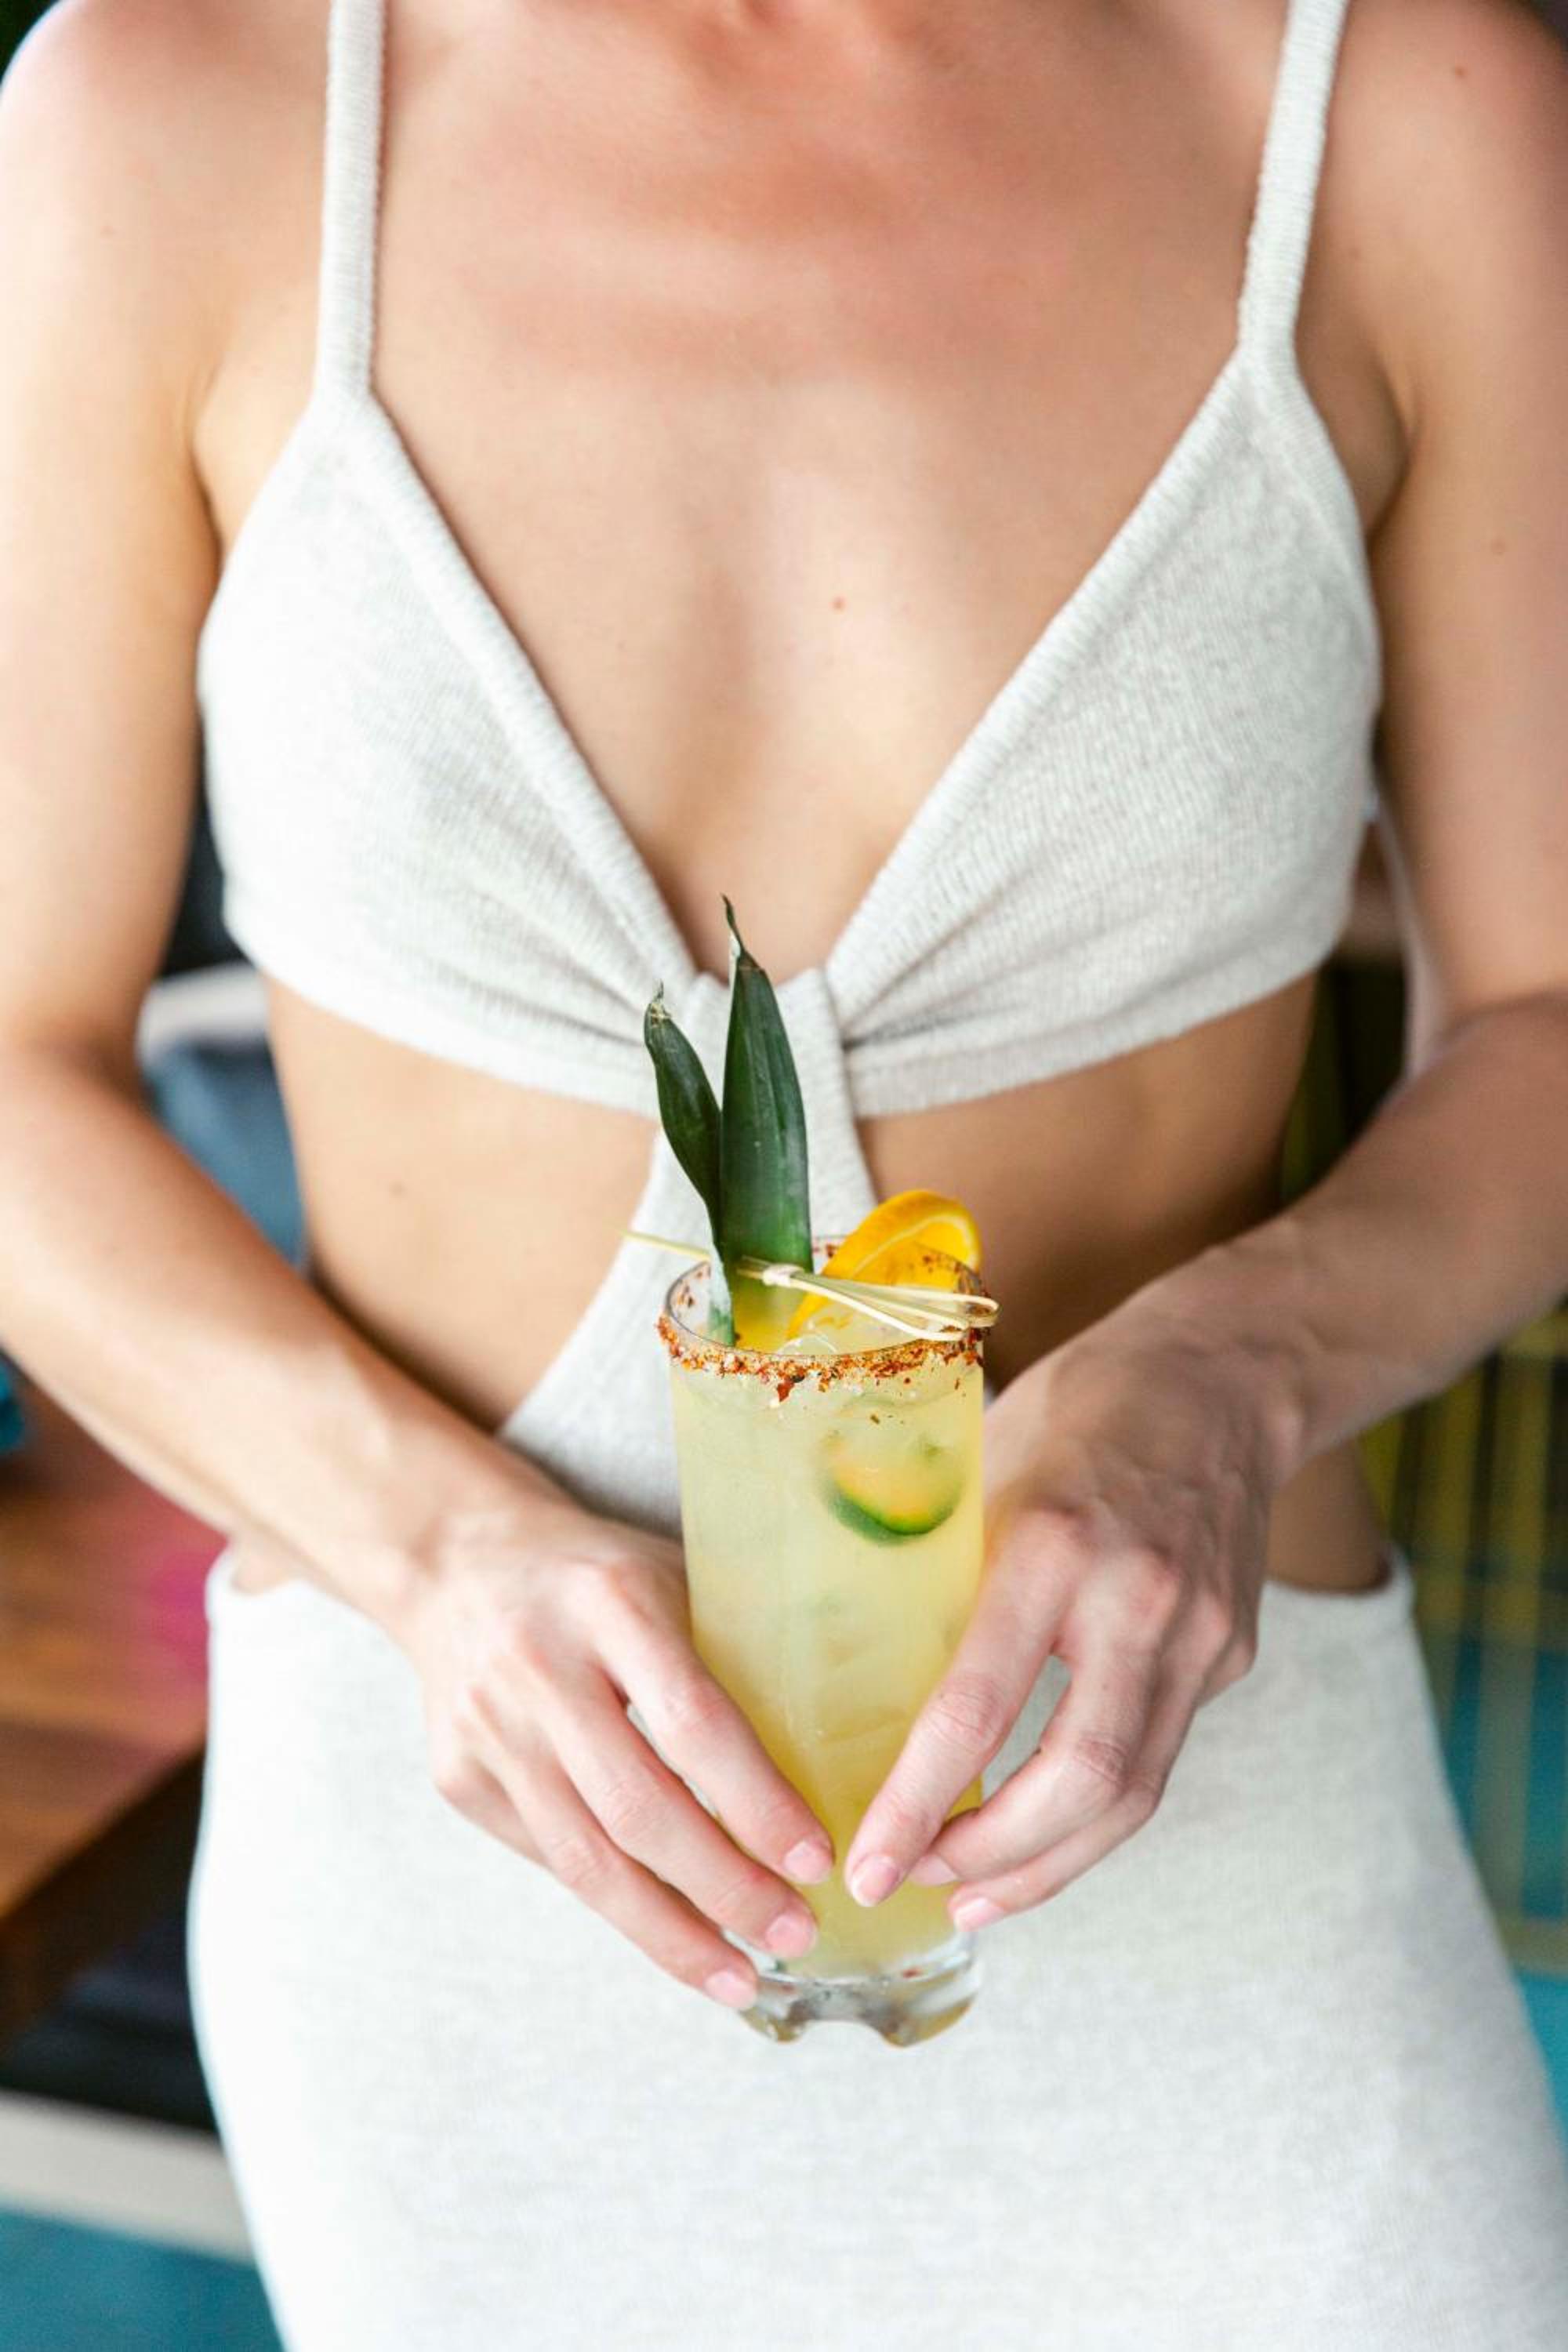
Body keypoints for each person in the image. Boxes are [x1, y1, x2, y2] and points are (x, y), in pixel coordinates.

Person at [2, 0, 1566, 2341]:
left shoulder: (1402, 107)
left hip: (1236, 1916)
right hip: (473, 1950)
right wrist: (439, 1560)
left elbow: (1547, 1024)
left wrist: (1231, 1380)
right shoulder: (171, 104)